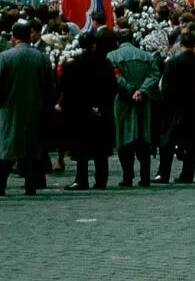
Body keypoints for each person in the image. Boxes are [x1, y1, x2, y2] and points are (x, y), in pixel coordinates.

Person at [0, 17, 57, 195]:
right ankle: (31, 185)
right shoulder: (42, 58)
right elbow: (51, 87)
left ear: (14, 38)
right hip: (35, 111)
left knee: (7, 151)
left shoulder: (5, 57)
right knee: (32, 151)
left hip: (10, 110)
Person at [57, 28, 114, 190]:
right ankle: (101, 180)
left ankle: (81, 180)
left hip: (81, 112)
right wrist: (101, 105)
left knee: (82, 150)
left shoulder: (74, 64)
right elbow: (111, 87)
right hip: (101, 111)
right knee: (101, 150)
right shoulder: (105, 63)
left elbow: (67, 89)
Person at [108, 28, 160, 187]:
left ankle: (127, 176)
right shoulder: (146, 56)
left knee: (124, 140)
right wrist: (142, 90)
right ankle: (145, 177)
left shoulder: (112, 57)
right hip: (143, 101)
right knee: (144, 139)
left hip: (123, 102)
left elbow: (116, 77)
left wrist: (131, 90)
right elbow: (155, 74)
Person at [157, 28, 195, 184]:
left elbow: (165, 87)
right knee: (192, 144)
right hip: (194, 107)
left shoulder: (172, 63)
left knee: (168, 143)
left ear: (180, 44)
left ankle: (163, 173)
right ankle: (188, 174)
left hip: (174, 107)